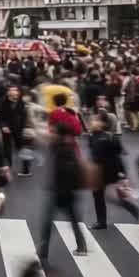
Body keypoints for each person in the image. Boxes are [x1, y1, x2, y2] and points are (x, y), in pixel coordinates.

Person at [37, 101, 90, 260]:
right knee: (69, 220)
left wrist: (59, 188)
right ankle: (79, 246)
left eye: (53, 130)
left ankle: (44, 250)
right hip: (63, 191)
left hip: (63, 192)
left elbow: (67, 171)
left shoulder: (64, 148)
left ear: (59, 133)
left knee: (49, 221)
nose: (50, 131)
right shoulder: (62, 144)